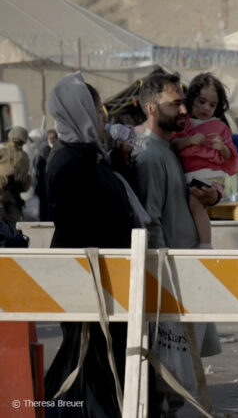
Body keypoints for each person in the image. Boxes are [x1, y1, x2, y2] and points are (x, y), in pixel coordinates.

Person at [43, 73, 138, 417]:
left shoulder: (91, 158)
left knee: (95, 362)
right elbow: (76, 227)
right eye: (98, 110)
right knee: (86, 360)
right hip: (91, 280)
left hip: (108, 278)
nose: (104, 117)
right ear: (81, 112)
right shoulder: (69, 163)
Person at [135, 72, 222, 415]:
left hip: (182, 274)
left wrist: (209, 196)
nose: (185, 109)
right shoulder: (149, 156)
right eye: (176, 104)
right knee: (160, 380)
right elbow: (150, 221)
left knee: (172, 379)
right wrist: (161, 283)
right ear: (152, 108)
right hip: (166, 281)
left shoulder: (168, 150)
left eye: (185, 101)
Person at [171, 73, 238, 248]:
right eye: (201, 102)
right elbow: (173, 143)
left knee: (195, 203)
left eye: (212, 104)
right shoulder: (183, 122)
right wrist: (189, 141)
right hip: (189, 177)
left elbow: (231, 156)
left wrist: (223, 148)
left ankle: (206, 244)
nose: (206, 108)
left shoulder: (220, 127)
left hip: (210, 178)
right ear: (191, 99)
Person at [0, 126, 32, 226]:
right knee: (13, 230)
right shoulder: (25, 157)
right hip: (13, 199)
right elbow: (25, 185)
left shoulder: (3, 151)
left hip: (6, 197)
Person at [34, 129, 58, 221]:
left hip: (47, 186)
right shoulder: (43, 150)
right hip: (44, 186)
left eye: (53, 138)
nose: (51, 140)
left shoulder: (51, 150)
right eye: (50, 138)